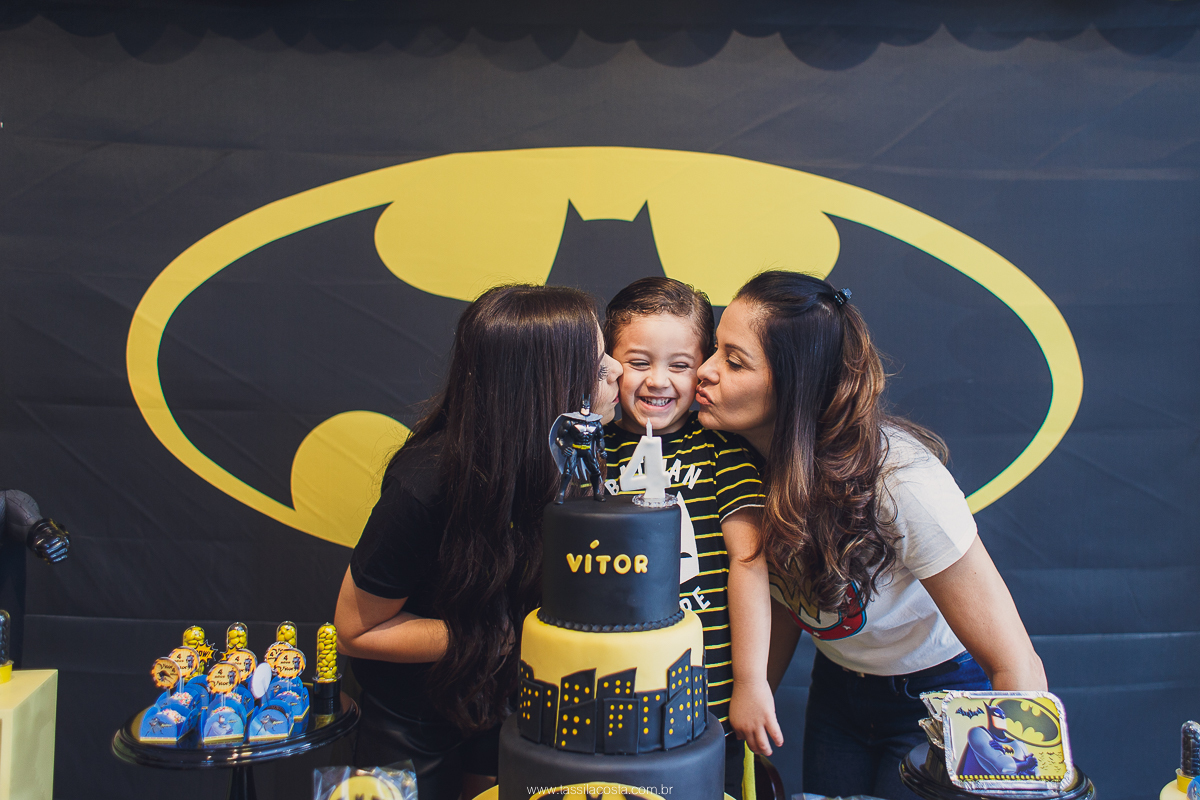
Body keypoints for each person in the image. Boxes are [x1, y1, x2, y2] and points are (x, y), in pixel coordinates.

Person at [694, 270, 1046, 800]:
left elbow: (1015, 663)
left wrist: (1019, 777)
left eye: (734, 361)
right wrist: (751, 694)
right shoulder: (738, 461)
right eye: (715, 349)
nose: (705, 370)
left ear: (796, 385)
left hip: (939, 692)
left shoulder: (901, 481)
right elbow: (784, 598)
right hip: (839, 690)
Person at [334, 284, 622, 800]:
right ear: (547, 388)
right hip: (410, 724)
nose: (619, 371)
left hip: (506, 709)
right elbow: (357, 630)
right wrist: (497, 637)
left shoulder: (569, 464)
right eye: (598, 369)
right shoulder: (426, 485)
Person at [600, 277, 783, 800]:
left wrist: (751, 682)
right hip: (610, 691)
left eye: (679, 365)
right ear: (608, 363)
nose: (658, 381)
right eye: (638, 362)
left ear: (702, 367)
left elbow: (747, 561)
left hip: (707, 700)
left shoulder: (722, 447)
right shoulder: (589, 448)